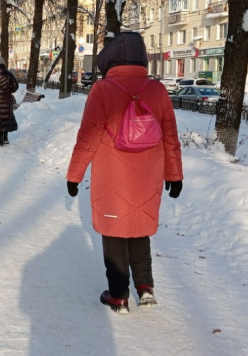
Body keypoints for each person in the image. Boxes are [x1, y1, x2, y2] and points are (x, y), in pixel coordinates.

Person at [65, 32, 183, 314]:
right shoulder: (158, 90)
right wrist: (174, 175)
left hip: (112, 175)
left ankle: (118, 295)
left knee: (114, 230)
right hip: (148, 175)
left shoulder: (102, 90)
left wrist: (74, 175)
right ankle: (145, 287)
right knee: (140, 225)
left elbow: (88, 137)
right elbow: (170, 136)